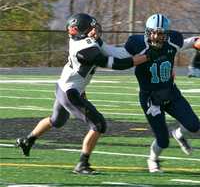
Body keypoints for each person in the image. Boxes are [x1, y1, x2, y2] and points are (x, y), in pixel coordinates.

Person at [16, 13, 151, 175]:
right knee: (98, 125)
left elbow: (114, 52)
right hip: (70, 93)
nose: (94, 30)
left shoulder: (84, 41)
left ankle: (27, 140)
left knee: (57, 120)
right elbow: (118, 64)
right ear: (79, 31)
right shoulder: (84, 49)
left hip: (64, 86)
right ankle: (82, 164)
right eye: (90, 28)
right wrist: (147, 57)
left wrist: (136, 52)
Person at [96, 13, 200, 173]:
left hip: (171, 93)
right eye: (153, 32)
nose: (156, 37)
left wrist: (197, 42)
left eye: (160, 33)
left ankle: (178, 134)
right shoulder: (137, 44)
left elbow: (190, 42)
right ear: (147, 31)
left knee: (194, 125)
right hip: (151, 99)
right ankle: (153, 159)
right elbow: (116, 53)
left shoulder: (173, 41)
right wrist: (98, 41)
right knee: (163, 140)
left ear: (166, 34)